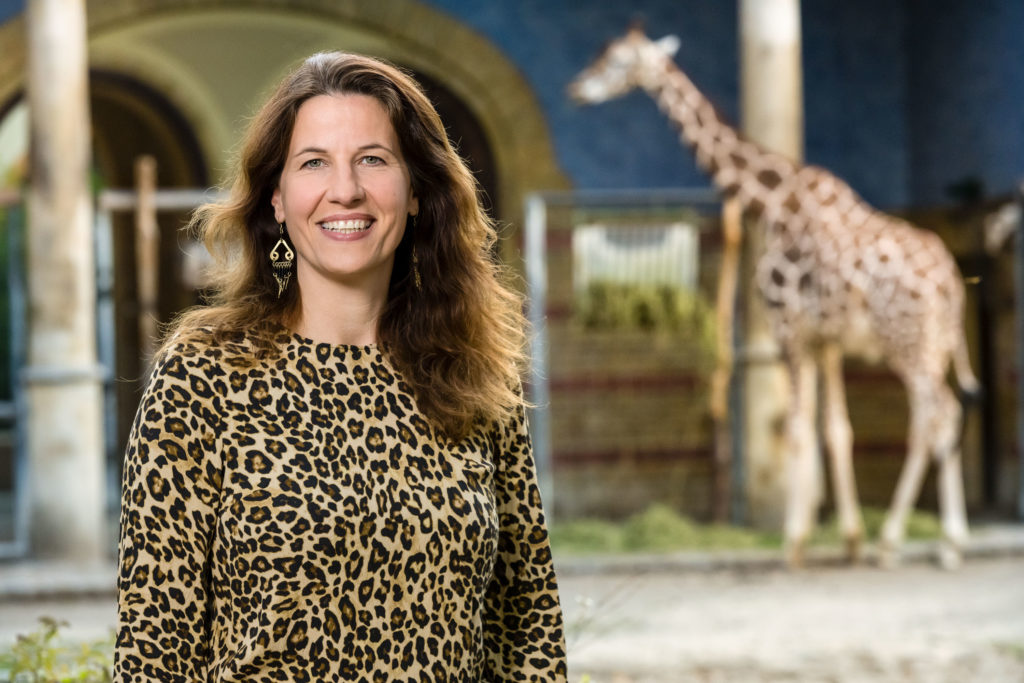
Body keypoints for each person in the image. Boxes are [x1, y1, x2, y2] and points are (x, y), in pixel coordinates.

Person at [114, 51, 567, 682]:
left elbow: (529, 626)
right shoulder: (202, 377)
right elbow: (153, 650)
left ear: (416, 192)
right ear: (277, 198)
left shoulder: (472, 372)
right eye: (314, 163)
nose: (346, 189)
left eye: (373, 159)